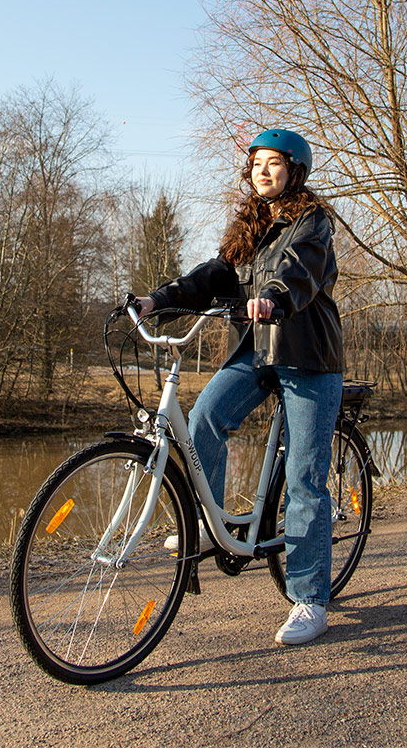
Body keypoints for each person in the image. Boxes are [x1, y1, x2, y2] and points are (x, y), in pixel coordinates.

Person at [135, 127, 344, 646]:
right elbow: (213, 275)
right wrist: (157, 301)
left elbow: (298, 271)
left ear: (294, 171)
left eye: (274, 163)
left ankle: (310, 599)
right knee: (204, 417)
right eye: (256, 163)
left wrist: (273, 296)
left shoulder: (312, 221)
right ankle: (212, 526)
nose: (262, 171)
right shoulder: (249, 225)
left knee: (304, 477)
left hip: (308, 356)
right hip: (257, 349)